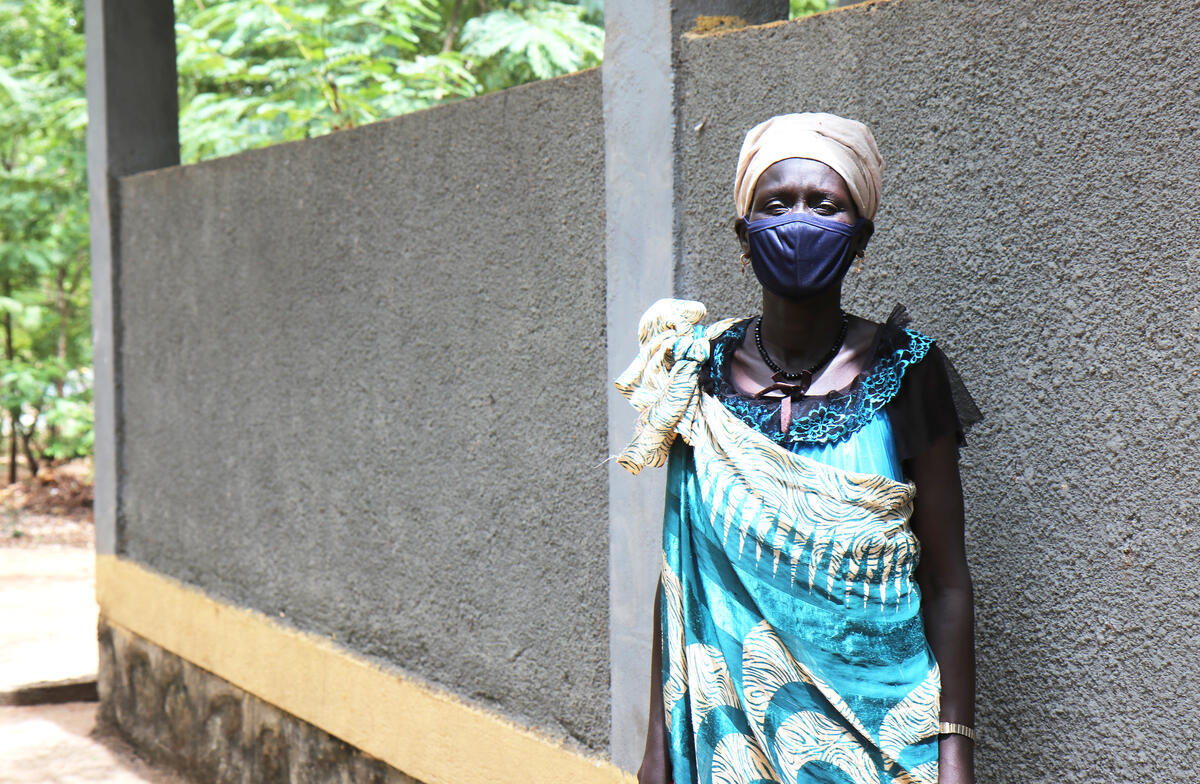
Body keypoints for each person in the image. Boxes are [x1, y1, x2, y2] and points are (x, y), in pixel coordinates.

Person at [615, 113, 981, 784]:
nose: (800, 219)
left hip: (886, 741)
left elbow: (949, 583)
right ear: (744, 234)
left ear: (860, 236)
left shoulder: (907, 372)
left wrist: (955, 753)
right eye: (777, 203)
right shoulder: (698, 374)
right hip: (730, 745)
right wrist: (657, 748)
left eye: (825, 204)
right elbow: (680, 577)